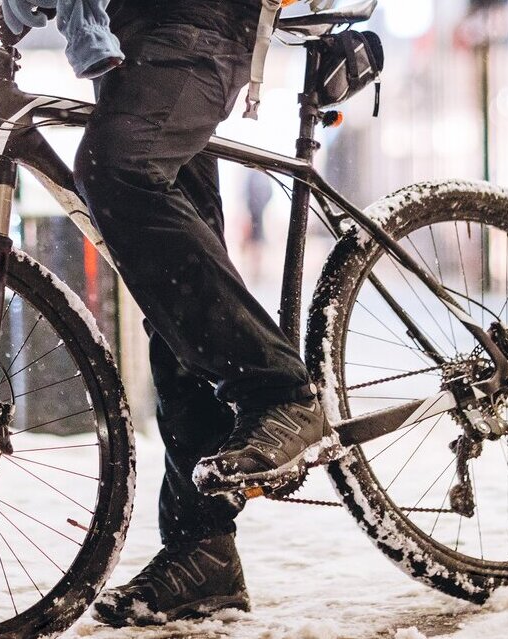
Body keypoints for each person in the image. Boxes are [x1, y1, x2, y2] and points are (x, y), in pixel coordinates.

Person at [51, 0, 338, 627]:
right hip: (143, 31)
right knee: (172, 282)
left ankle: (280, 392)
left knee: (117, 167)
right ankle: (201, 549)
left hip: (196, 21)